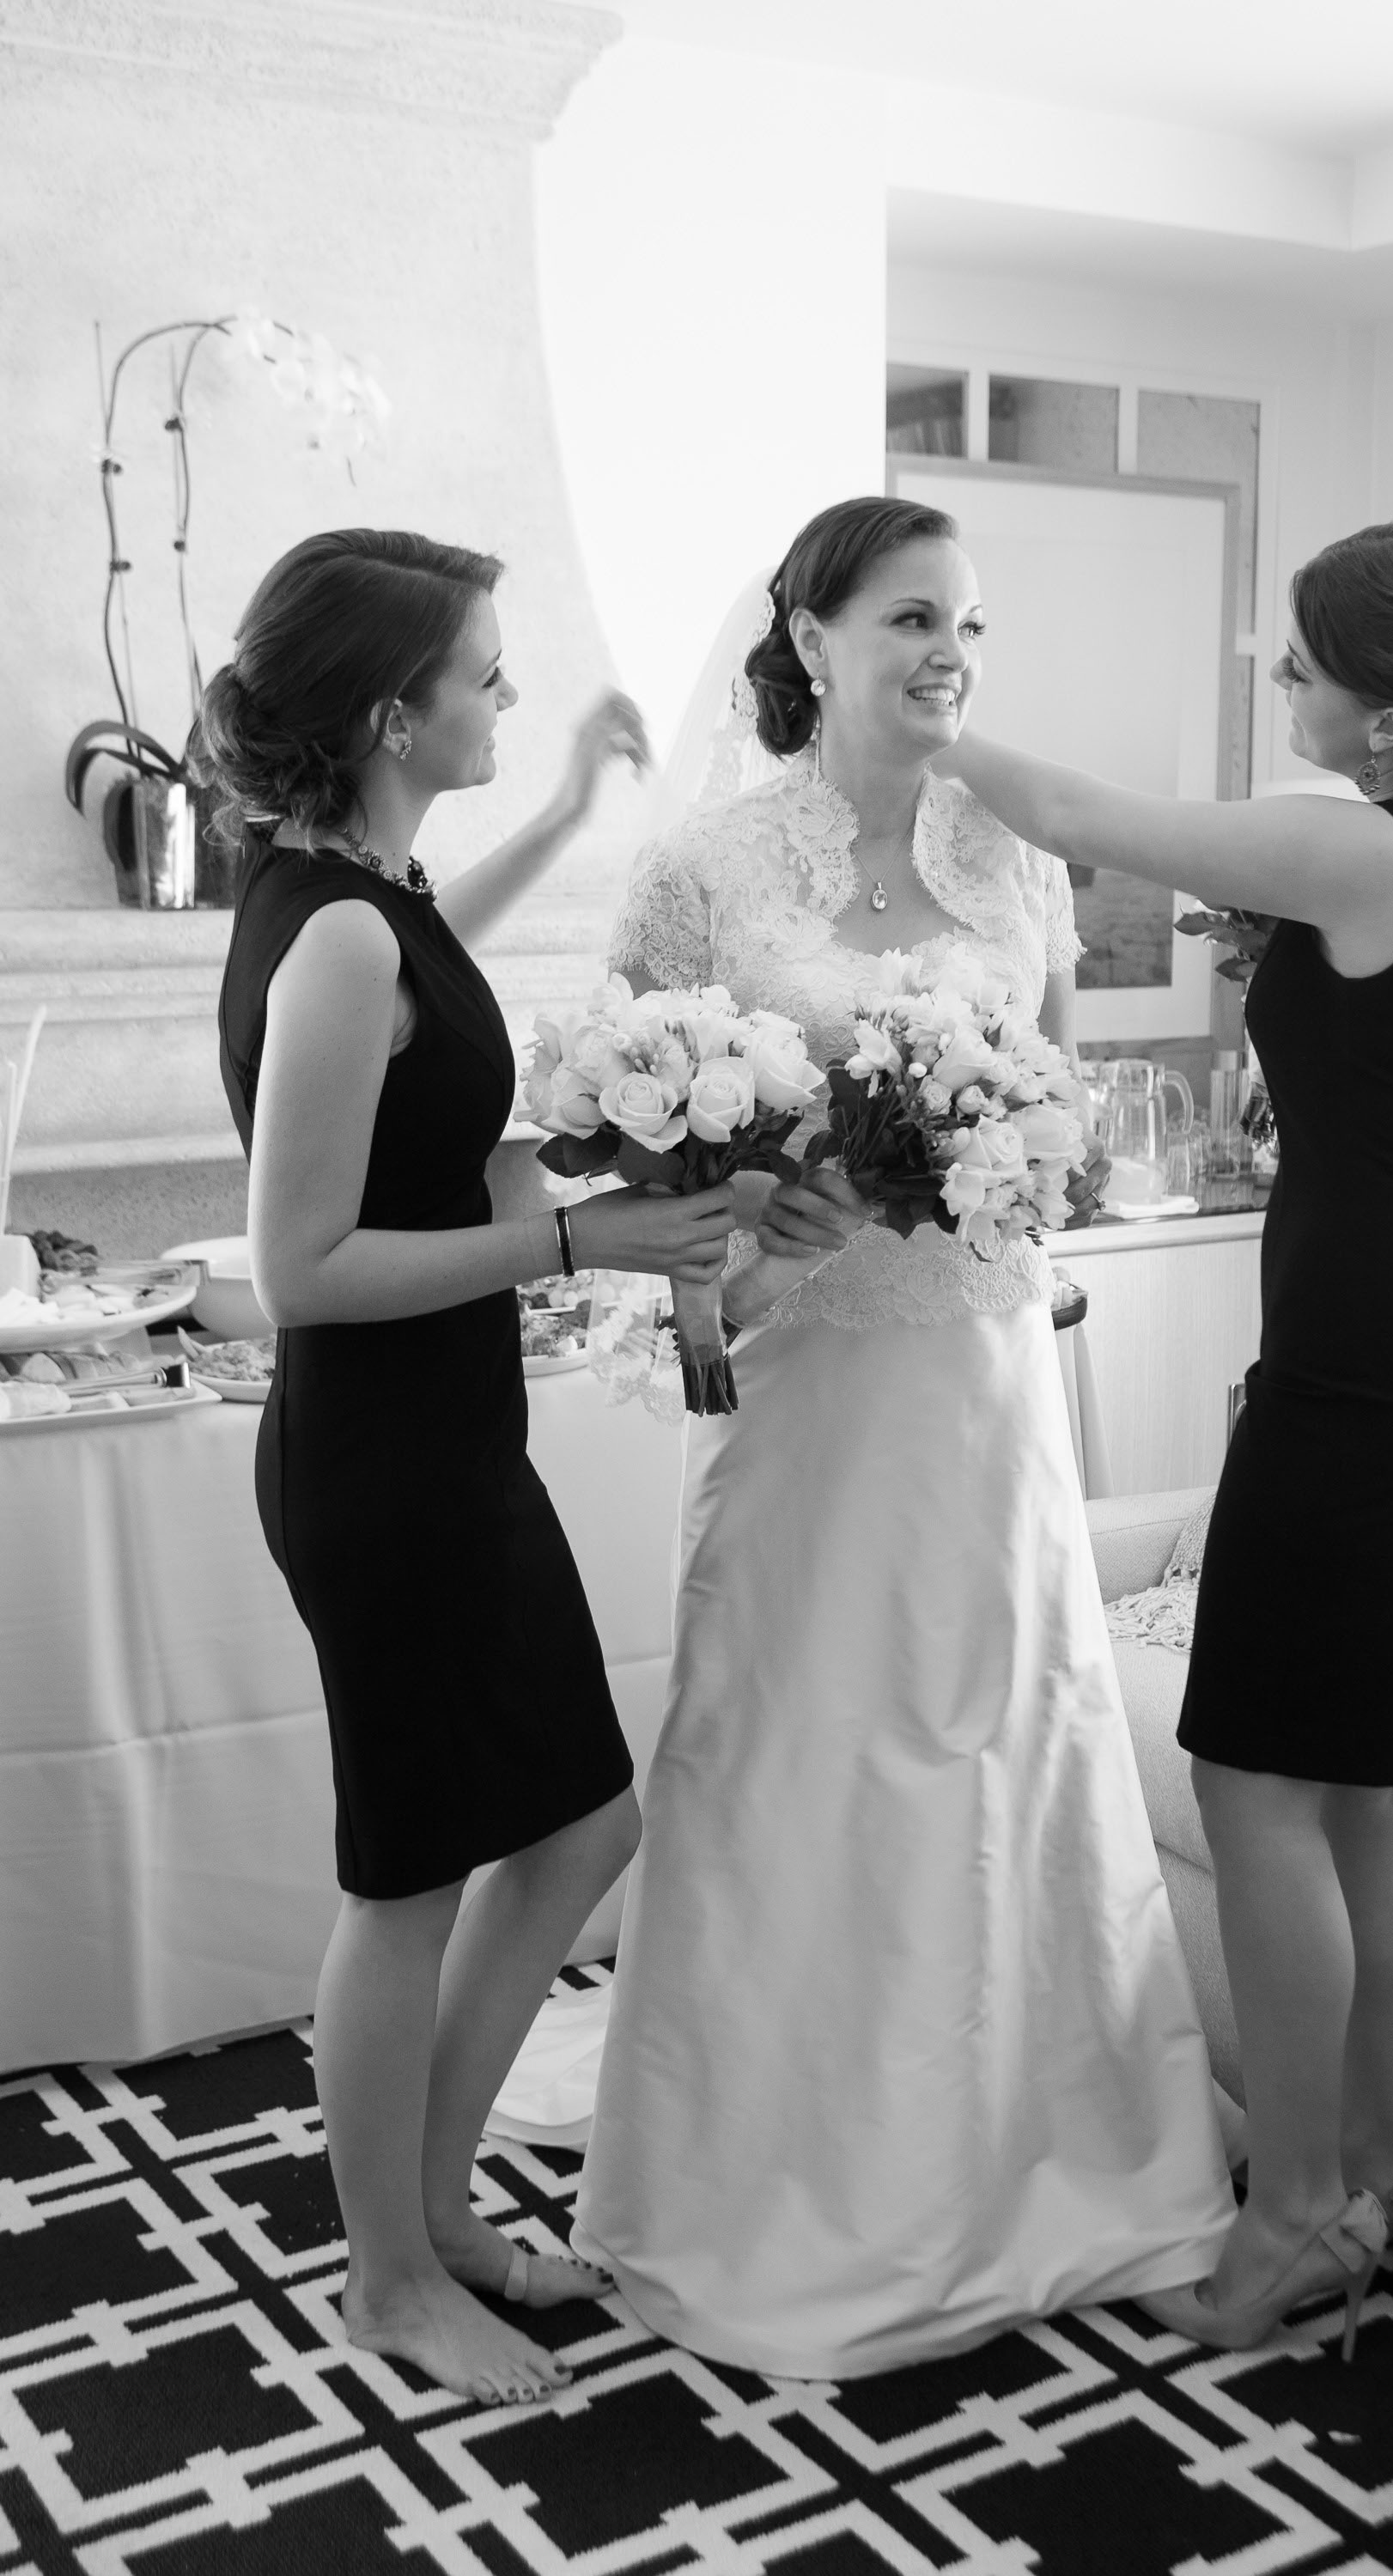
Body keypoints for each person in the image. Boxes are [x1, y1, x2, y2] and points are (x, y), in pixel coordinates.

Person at [565, 495, 1236, 2378]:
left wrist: (993, 1169)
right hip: (795, 1385)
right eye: (914, 618)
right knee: (796, 1744)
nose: (951, 652)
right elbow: (626, 1162)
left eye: (971, 625)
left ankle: (1050, 2153)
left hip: (979, 1377)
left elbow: (1068, 1130)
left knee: (1002, 1733)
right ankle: (764, 2174)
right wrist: (754, 1239)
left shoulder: (1018, 863)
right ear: (810, 636)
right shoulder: (703, 870)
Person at [934, 520, 1393, 2355]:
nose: (1274, 683)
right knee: (1367, 1787)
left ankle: (1300, 2211)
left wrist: (922, 719)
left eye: (1296, 666)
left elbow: (1079, 811)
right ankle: (1388, 2166)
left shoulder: (1353, 842)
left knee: (1255, 1785)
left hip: (1371, 1363)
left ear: (1384, 717)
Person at [199, 528, 734, 2407]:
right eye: (487, 677)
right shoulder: (338, 929)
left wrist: (574, 794)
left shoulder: (358, 886)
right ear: (387, 708)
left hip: (442, 1446)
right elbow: (298, 1275)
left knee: (580, 1824)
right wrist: (577, 1245)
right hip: (385, 1467)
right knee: (409, 1880)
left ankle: (426, 2205)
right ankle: (390, 2280)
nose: (506, 695)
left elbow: (428, 953)